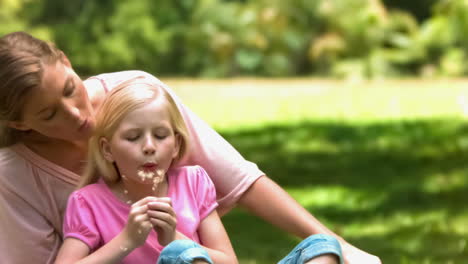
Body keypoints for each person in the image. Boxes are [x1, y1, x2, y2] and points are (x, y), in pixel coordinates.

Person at [0, 31, 380, 264]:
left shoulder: (144, 103)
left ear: (66, 62)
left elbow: (240, 180)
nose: (75, 114)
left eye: (70, 88)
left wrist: (345, 248)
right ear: (19, 123)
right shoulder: (51, 189)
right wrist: (128, 241)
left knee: (321, 249)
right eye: (50, 115)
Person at [54, 78, 342, 264]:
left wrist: (174, 238)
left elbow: (229, 261)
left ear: (176, 143)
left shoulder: (193, 183)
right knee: (181, 257)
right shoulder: (88, 202)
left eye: (161, 135)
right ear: (107, 149)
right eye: (133, 138)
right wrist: (127, 241)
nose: (149, 147)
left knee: (322, 247)